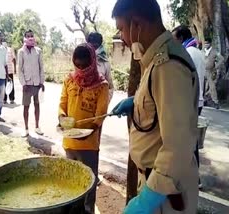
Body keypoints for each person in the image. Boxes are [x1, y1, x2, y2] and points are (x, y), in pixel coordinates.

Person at [111, 0, 199, 213]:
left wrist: (148, 200)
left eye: (122, 29)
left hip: (166, 194)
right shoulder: (156, 58)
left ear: (137, 25)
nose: (122, 38)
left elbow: (178, 146)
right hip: (157, 184)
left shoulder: (167, 66)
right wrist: (136, 103)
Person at [58, 43, 109, 214]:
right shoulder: (69, 80)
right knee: (71, 181)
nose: (81, 69)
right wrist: (61, 117)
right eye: (77, 65)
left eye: (84, 65)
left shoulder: (101, 85)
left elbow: (100, 114)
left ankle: (88, 211)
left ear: (92, 62)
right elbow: (62, 103)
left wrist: (91, 130)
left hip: (89, 144)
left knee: (88, 181)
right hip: (69, 141)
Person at [172, 25, 205, 189]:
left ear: (181, 38)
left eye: (175, 38)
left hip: (188, 101)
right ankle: (194, 177)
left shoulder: (187, 53)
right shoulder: (198, 52)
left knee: (185, 142)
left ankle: (191, 179)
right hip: (198, 101)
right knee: (191, 141)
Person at [18, 29, 45, 137]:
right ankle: (26, 129)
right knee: (26, 106)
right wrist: (23, 84)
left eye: (32, 36)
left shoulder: (38, 51)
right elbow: (19, 69)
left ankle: (37, 127)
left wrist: (42, 82)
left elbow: (41, 67)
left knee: (37, 105)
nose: (30, 38)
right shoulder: (21, 51)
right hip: (27, 84)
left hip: (37, 83)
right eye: (28, 36)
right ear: (24, 38)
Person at [87, 32, 114, 102]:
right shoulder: (83, 60)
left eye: (95, 46)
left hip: (99, 106)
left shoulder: (105, 63)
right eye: (91, 46)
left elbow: (110, 87)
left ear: (100, 46)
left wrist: (104, 104)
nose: (94, 50)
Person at [204, 38, 224, 109]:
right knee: (203, 87)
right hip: (202, 71)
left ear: (210, 44)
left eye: (207, 43)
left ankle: (215, 102)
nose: (206, 45)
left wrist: (216, 67)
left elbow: (221, 59)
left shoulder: (214, 51)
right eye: (205, 43)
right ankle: (204, 100)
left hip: (210, 71)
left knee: (212, 87)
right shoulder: (202, 51)